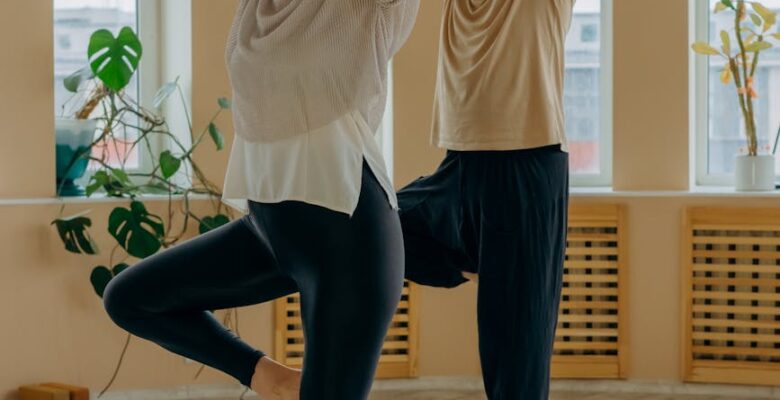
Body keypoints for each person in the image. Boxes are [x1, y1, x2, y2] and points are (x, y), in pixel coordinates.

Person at [101, 1, 420, 399]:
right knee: (131, 298)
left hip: (350, 239)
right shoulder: (258, 9)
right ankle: (273, 379)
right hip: (272, 232)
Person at [397, 1, 574, 399]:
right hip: (460, 160)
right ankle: (473, 262)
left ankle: (487, 264)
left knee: (515, 365)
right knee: (364, 231)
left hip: (527, 162)